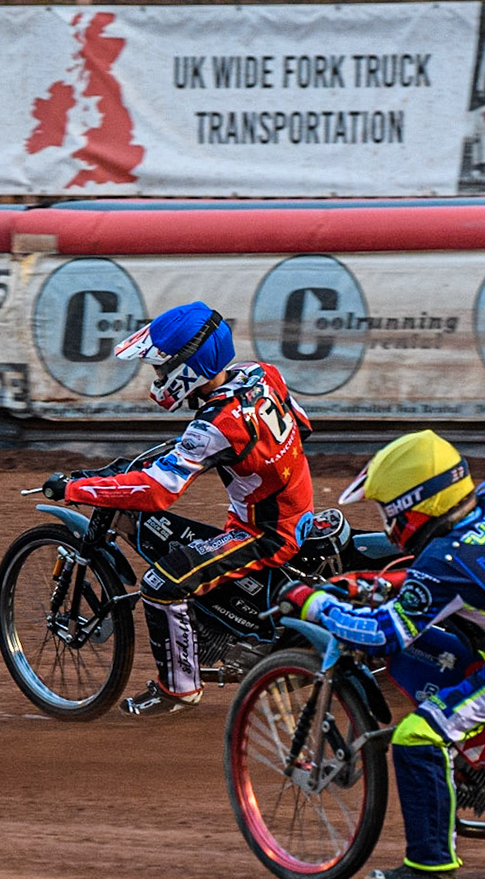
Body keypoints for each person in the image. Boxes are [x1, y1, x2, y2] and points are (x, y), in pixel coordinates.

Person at [286, 430, 485, 879]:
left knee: (417, 736)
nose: (386, 521)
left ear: (413, 507)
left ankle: (431, 866)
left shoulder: (446, 559)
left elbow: (381, 635)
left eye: (387, 509)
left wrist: (314, 604)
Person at [42, 301, 314, 716]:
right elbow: (304, 425)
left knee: (160, 583)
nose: (157, 376)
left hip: (265, 533)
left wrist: (78, 488)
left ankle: (179, 688)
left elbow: (156, 492)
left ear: (190, 367)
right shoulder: (262, 374)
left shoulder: (214, 425)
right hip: (297, 509)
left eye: (161, 368)